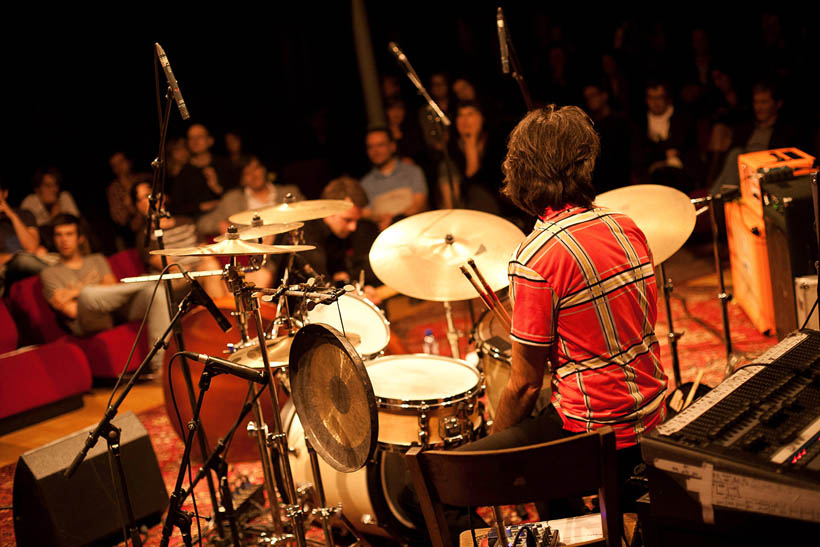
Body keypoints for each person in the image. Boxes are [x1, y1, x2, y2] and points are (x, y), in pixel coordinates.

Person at [463, 104, 668, 498]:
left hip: (595, 430)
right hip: (651, 411)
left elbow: (524, 385)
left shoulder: (536, 257)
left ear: (519, 173)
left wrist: (492, 447)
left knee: (452, 474)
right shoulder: (625, 226)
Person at [40, 214, 170, 372]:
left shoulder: (97, 259)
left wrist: (73, 292)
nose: (64, 240)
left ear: (80, 238)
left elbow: (111, 287)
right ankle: (147, 280)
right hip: (87, 320)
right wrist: (86, 290)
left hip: (114, 309)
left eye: (69, 234)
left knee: (155, 293)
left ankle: (161, 368)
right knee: (88, 295)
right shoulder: (49, 273)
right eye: (58, 235)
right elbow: (72, 311)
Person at [131, 181, 226, 300]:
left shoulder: (186, 222)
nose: (150, 200)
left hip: (204, 270)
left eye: (150, 195)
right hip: (176, 279)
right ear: (138, 206)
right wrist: (206, 269)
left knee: (238, 280)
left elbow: (206, 252)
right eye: (143, 198)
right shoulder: (145, 235)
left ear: (163, 196)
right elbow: (171, 266)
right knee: (211, 269)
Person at [197, 156, 303, 238]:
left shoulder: (289, 192)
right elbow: (203, 223)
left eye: (256, 168)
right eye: (247, 173)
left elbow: (310, 216)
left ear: (264, 169)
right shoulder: (232, 200)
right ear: (242, 180)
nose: (254, 175)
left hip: (290, 244)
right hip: (255, 254)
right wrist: (220, 225)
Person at [360, 128, 428, 231]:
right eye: (371, 147)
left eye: (380, 145)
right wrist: (381, 219)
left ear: (392, 146)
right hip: (381, 231)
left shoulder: (412, 172)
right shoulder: (366, 183)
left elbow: (419, 203)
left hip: (413, 227)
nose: (375, 151)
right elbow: (365, 212)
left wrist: (394, 220)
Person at [169, 124, 237, 218]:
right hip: (203, 218)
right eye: (191, 138)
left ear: (210, 141)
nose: (195, 141)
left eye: (200, 137)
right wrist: (200, 206)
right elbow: (175, 206)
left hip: (229, 210)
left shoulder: (224, 164)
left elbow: (237, 193)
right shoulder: (184, 173)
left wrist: (217, 187)